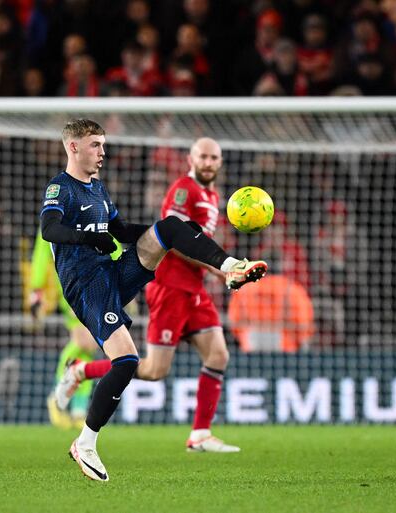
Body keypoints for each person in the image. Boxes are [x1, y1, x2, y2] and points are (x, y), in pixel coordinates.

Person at [40, 119, 267, 481]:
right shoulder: (60, 187)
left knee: (172, 226)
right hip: (86, 286)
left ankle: (231, 266)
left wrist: (160, 234)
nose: (103, 152)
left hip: (111, 272)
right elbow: (48, 229)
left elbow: (120, 231)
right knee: (128, 362)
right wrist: (86, 239)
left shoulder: (98, 189)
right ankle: (85, 443)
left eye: (103, 145)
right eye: (96, 145)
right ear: (74, 148)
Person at [31, 230, 111, 429]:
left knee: (87, 349)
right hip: (71, 282)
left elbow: (111, 241)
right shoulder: (56, 211)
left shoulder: (94, 206)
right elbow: (41, 253)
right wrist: (36, 288)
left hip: (97, 281)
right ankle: (58, 397)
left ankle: (77, 409)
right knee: (85, 341)